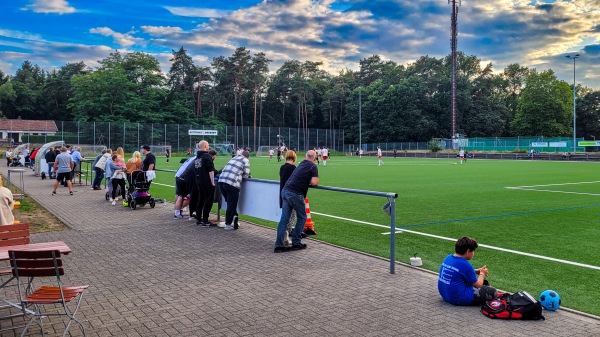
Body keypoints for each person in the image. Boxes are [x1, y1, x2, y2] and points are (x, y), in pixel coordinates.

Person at [274, 150, 319, 253]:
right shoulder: (313, 166)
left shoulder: (300, 164)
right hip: (295, 193)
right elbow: (314, 182)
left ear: (305, 156)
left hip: (285, 191)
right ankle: (296, 242)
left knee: (284, 219)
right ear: (314, 158)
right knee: (302, 217)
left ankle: (279, 245)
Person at [438, 236, 497, 306]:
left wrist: (475, 271)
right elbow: (478, 285)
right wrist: (482, 273)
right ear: (468, 251)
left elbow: (457, 271)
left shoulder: (448, 257)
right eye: (473, 251)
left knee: (473, 281)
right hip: (457, 298)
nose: (473, 253)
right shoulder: (465, 265)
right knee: (492, 291)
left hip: (445, 295)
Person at [218, 150, 250, 230]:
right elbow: (246, 174)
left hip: (221, 182)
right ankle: (228, 224)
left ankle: (234, 217)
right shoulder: (245, 160)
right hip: (232, 183)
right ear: (247, 156)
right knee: (231, 204)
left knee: (230, 203)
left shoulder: (233, 158)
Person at [194, 140, 216, 227]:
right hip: (206, 181)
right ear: (206, 146)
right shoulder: (207, 156)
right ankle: (205, 220)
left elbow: (196, 169)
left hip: (199, 181)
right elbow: (211, 170)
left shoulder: (197, 157)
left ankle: (199, 218)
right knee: (208, 200)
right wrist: (212, 182)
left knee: (201, 199)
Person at [279, 150, 297, 246]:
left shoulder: (282, 167)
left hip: (282, 193)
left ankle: (282, 235)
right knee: (292, 215)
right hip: (291, 194)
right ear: (294, 157)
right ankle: (287, 233)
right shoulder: (293, 168)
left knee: (284, 216)